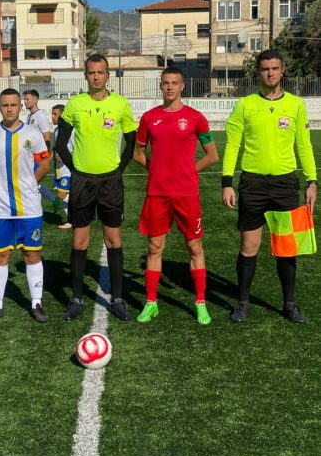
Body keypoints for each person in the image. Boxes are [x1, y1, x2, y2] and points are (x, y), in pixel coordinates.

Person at [222, 49, 317, 323]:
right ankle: (243, 302)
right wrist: (227, 182)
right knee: (248, 245)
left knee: (287, 248)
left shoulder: (296, 105)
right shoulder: (245, 105)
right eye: (265, 69)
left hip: (286, 184)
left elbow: (304, 146)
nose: (270, 73)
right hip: (252, 183)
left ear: (282, 70)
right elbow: (232, 145)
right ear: (258, 73)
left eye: (275, 68)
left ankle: (290, 304)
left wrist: (312, 181)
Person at [134, 67, 219, 325]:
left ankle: (200, 303)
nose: (170, 87)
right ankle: (151, 303)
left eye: (174, 83)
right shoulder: (149, 118)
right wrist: (157, 171)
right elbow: (138, 154)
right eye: (165, 83)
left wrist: (189, 171)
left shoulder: (195, 118)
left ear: (182, 86)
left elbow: (212, 156)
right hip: (157, 193)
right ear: (160, 86)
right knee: (154, 247)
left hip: (186, 193)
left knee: (194, 247)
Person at [56, 53, 137, 320]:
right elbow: (60, 143)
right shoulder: (75, 104)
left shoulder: (120, 105)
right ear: (85, 76)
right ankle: (76, 299)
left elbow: (132, 141)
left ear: (107, 75)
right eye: (91, 72)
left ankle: (117, 299)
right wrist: (76, 170)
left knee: (114, 241)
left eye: (100, 72)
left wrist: (119, 171)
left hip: (110, 182)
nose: (96, 77)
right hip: (83, 182)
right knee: (80, 242)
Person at [0, 88, 51, 323]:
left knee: (32, 253)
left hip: (29, 207)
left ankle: (36, 302)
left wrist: (30, 183)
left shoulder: (33, 133)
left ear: (20, 106)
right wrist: (0, 183)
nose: (9, 109)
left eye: (13, 105)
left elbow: (44, 163)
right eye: (4, 105)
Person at [23, 89, 56, 209]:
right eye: (24, 99)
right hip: (29, 156)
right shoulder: (29, 116)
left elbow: (47, 138)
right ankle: (53, 200)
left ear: (35, 100)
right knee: (29, 184)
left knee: (29, 184)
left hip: (37, 157)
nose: (25, 101)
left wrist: (44, 160)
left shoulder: (40, 116)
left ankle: (34, 209)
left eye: (27, 99)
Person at [51, 104, 74, 229]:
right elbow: (56, 148)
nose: (52, 117)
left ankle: (82, 210)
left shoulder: (71, 130)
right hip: (58, 168)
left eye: (55, 114)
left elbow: (77, 148)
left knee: (61, 195)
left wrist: (66, 155)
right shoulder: (56, 131)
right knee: (59, 194)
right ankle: (71, 220)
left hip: (67, 168)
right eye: (52, 114)